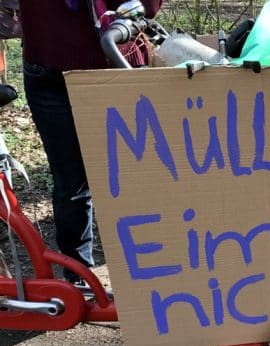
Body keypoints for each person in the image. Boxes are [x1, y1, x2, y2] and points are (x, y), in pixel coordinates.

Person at [19, 0, 163, 282]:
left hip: (116, 67)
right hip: (49, 72)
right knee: (71, 185)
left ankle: (150, 278)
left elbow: (148, 6)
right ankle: (80, 278)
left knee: (135, 181)